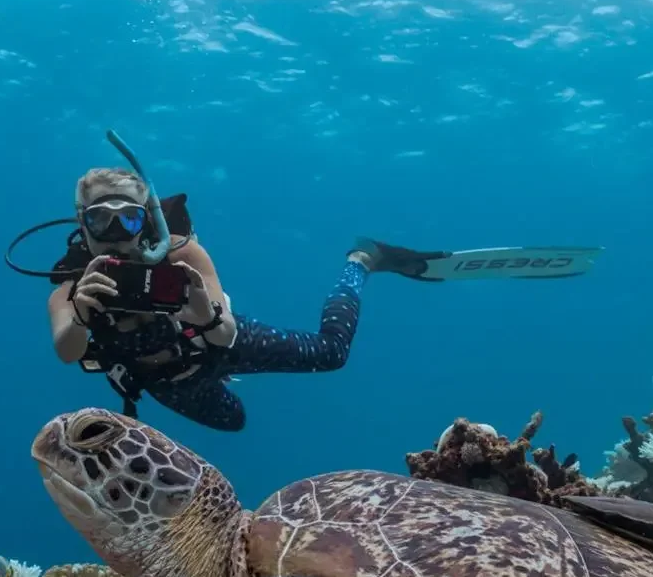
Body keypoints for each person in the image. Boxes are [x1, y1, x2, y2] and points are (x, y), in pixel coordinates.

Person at [41, 159, 442, 432]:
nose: (116, 235)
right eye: (99, 219)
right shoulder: (71, 287)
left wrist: (205, 314)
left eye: (127, 218)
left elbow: (225, 335)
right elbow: (67, 350)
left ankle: (361, 261)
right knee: (234, 421)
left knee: (332, 353)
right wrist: (80, 313)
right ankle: (228, 382)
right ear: (82, 222)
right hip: (166, 382)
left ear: (146, 221)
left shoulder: (181, 254)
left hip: (217, 349)